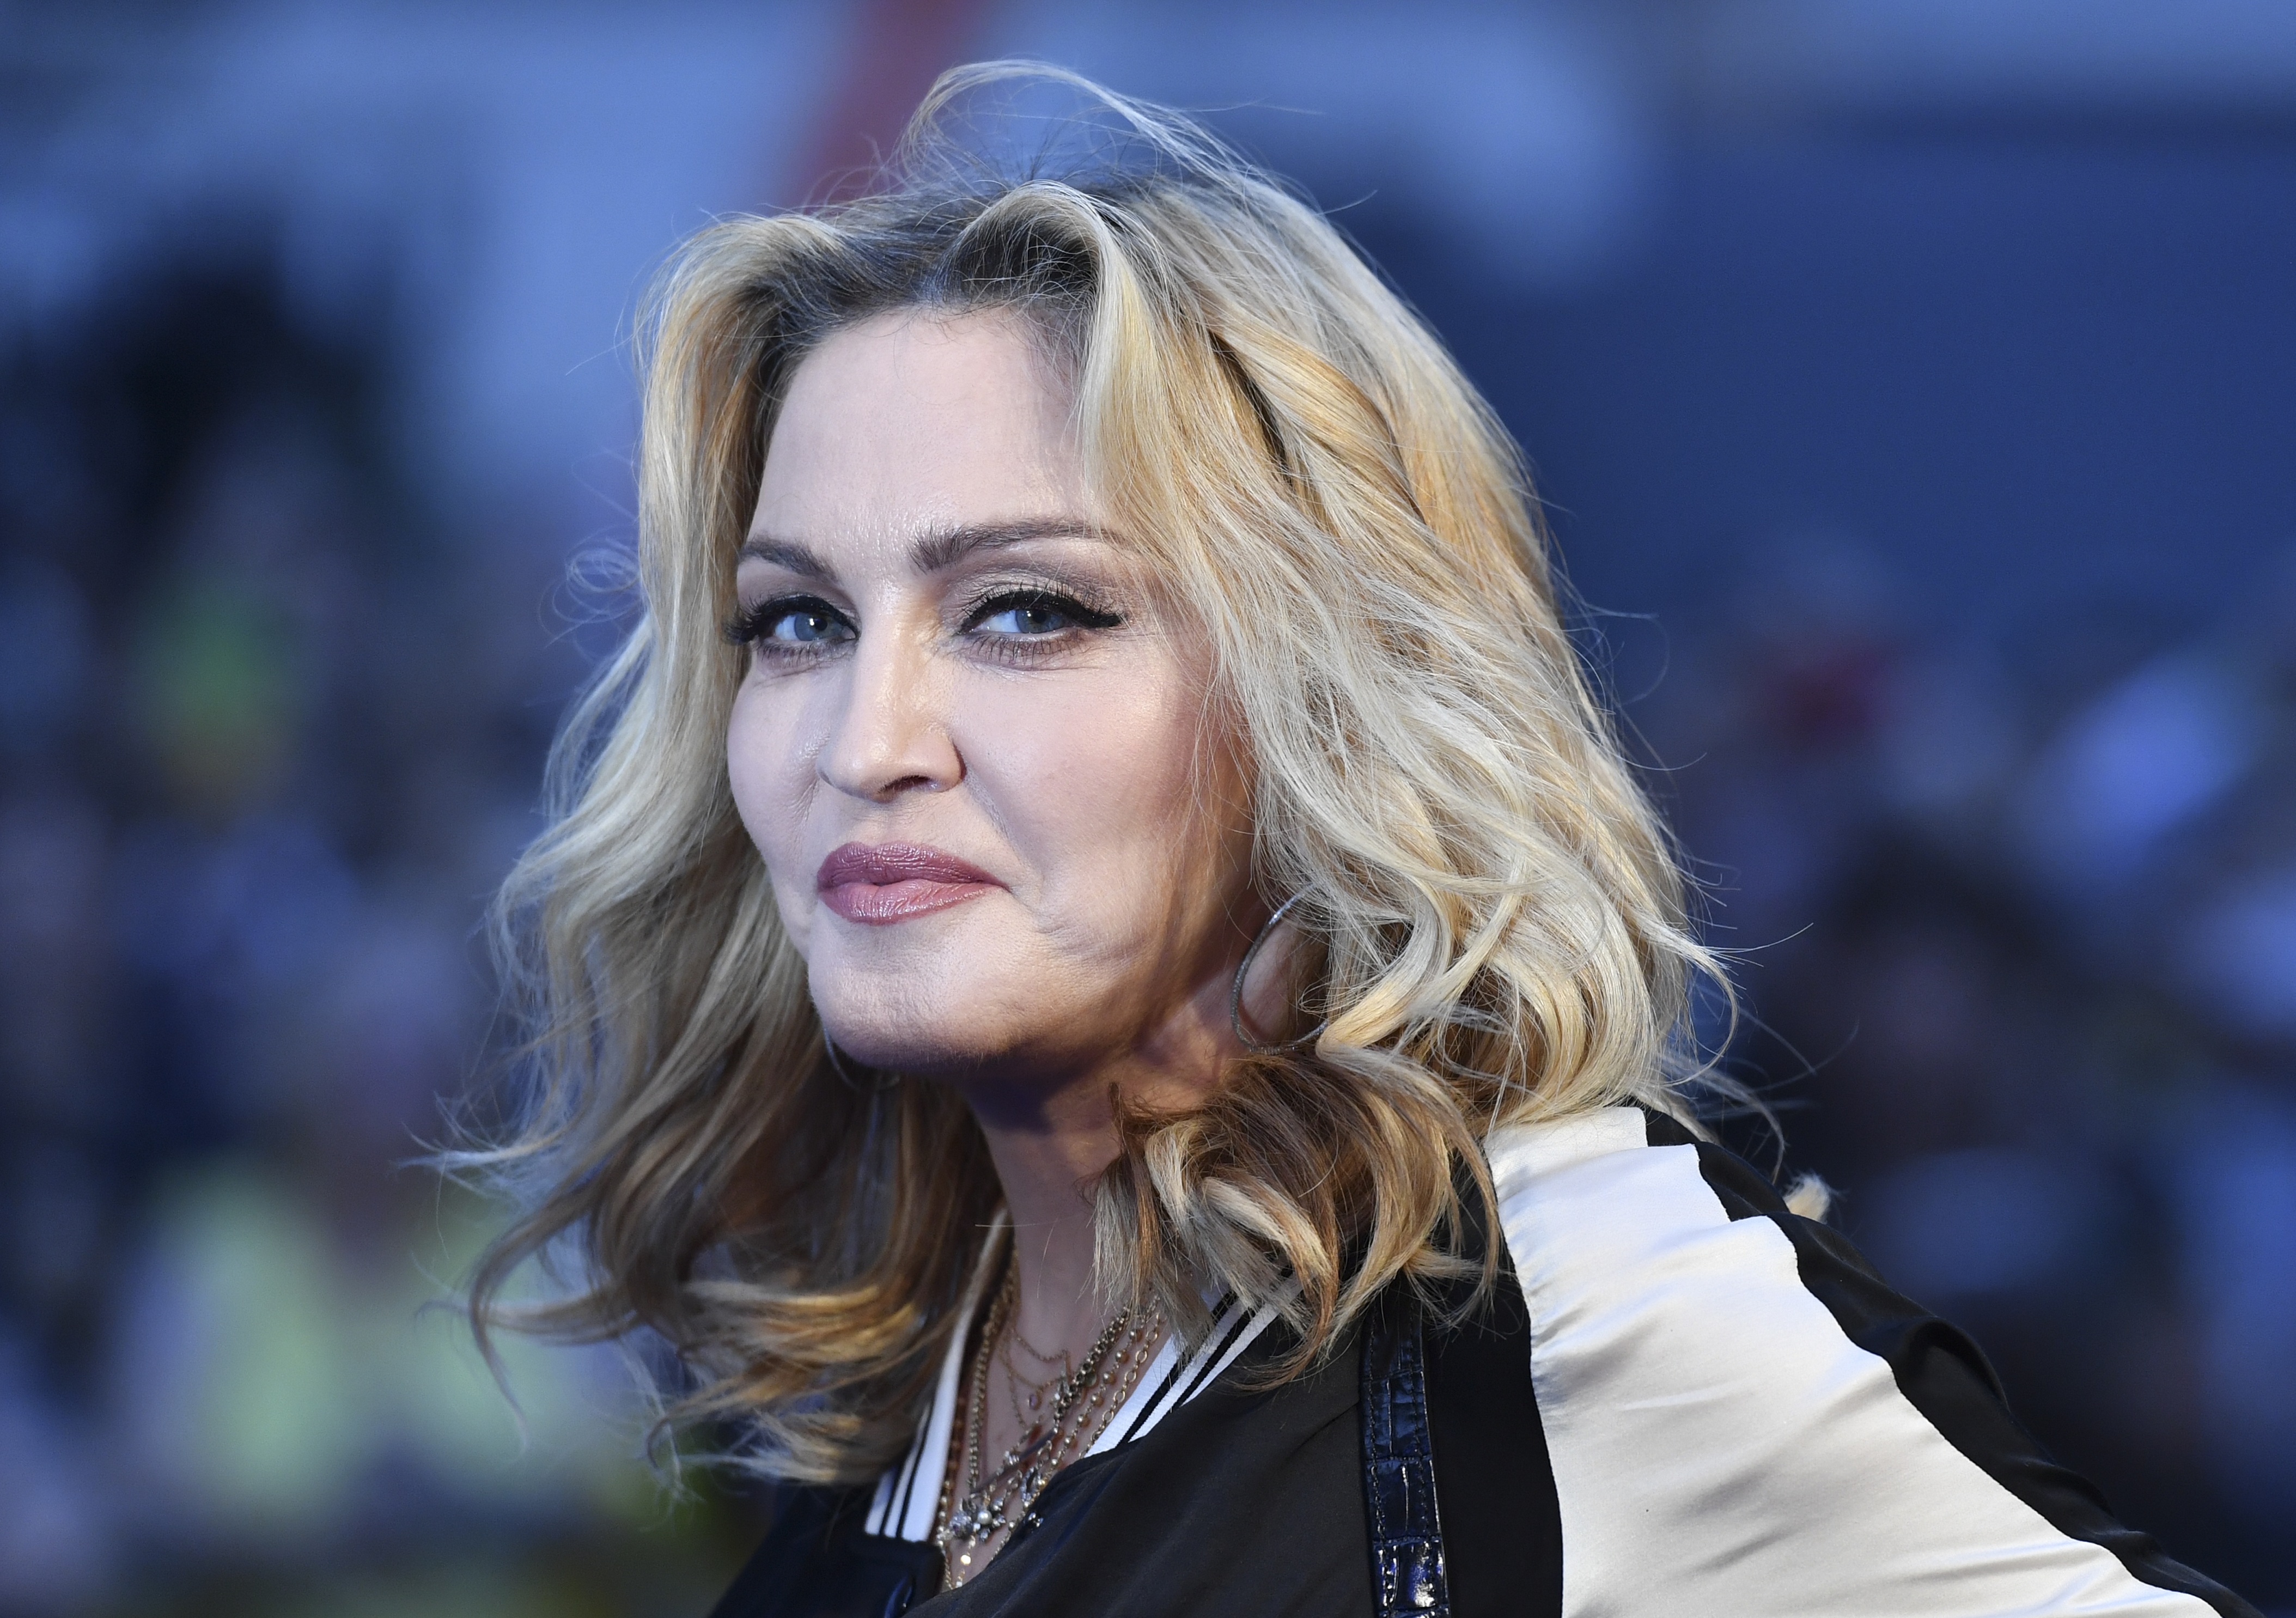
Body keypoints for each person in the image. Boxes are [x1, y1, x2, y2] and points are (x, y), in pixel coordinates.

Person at [465, 65, 2258, 1618]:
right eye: (796, 623)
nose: (866, 740)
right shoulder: (900, 1375)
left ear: (1315, 689)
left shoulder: (1572, 1310)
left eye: (1023, 610)